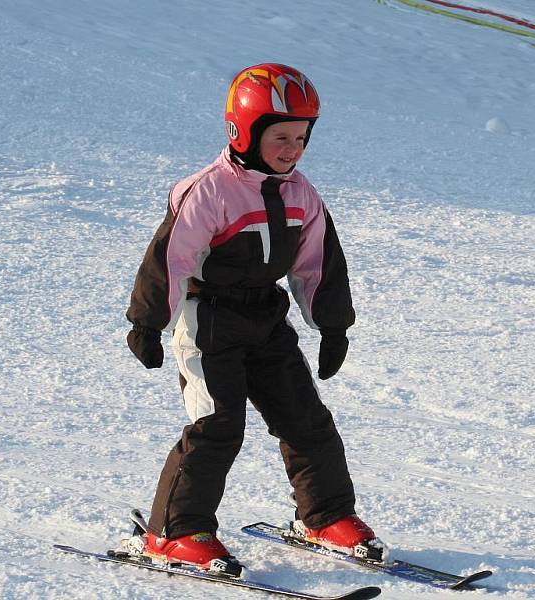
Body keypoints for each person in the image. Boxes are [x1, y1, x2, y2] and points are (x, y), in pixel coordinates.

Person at [122, 63, 387, 576]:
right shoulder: (208, 191)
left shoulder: (301, 194)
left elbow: (319, 264)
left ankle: (325, 516)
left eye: (301, 138)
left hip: (266, 320)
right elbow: (169, 259)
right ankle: (173, 532)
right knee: (217, 427)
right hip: (208, 323)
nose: (291, 148)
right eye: (280, 136)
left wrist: (334, 328)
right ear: (244, 131)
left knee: (306, 420)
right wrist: (147, 323)